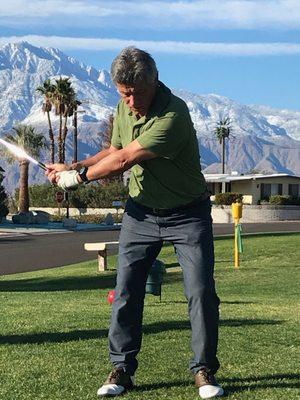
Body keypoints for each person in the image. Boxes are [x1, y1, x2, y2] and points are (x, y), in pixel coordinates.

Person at [46, 47, 223, 399]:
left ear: (154, 82)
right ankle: (122, 369)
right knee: (126, 291)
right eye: (123, 94)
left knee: (200, 292)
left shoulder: (174, 113)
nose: (130, 102)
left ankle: (203, 369)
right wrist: (75, 166)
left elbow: (126, 159)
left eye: (137, 93)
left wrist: (77, 181)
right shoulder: (123, 105)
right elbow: (114, 149)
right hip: (141, 214)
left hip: (188, 215)